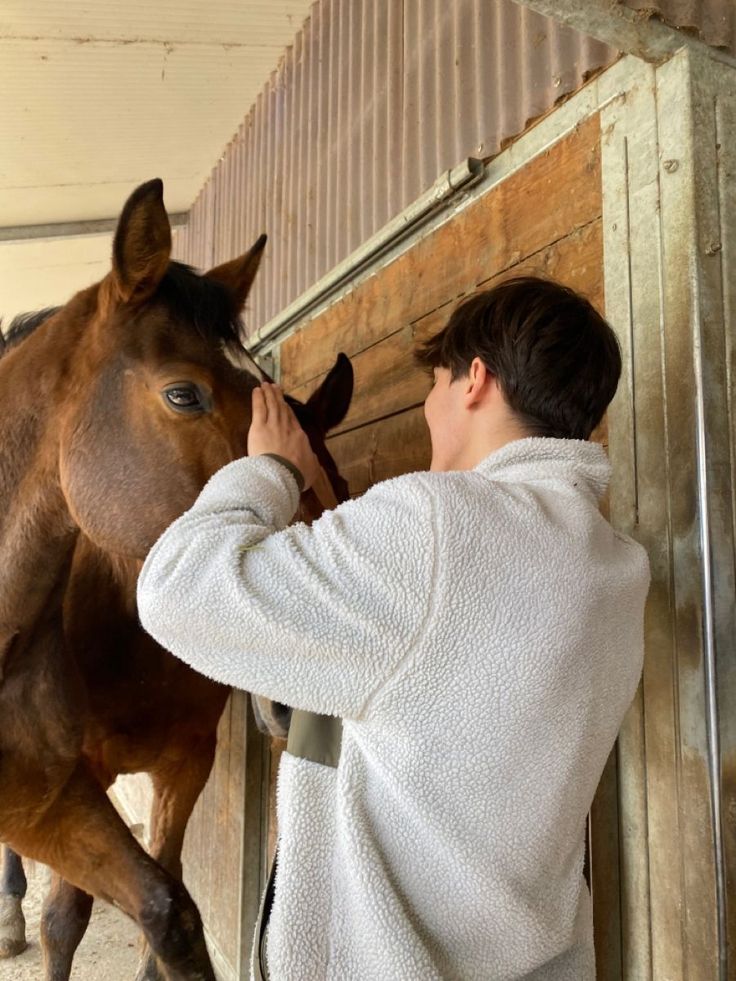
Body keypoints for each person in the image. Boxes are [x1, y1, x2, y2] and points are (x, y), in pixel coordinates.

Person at [137, 276, 650, 981]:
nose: (432, 408)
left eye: (435, 385)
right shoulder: (615, 566)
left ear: (475, 380)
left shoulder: (437, 524)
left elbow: (175, 590)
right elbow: (392, 701)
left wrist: (270, 471)